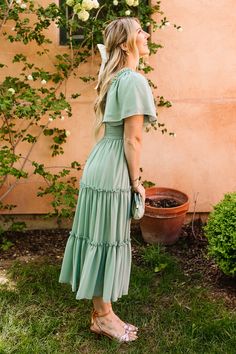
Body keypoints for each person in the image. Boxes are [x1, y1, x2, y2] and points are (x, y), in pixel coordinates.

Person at [59, 17, 157, 342]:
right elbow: (133, 140)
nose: (146, 35)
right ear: (128, 42)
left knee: (99, 237)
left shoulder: (114, 77)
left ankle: (103, 312)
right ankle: (103, 317)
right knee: (105, 239)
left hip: (100, 160)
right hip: (114, 167)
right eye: (140, 31)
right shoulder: (133, 80)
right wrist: (136, 182)